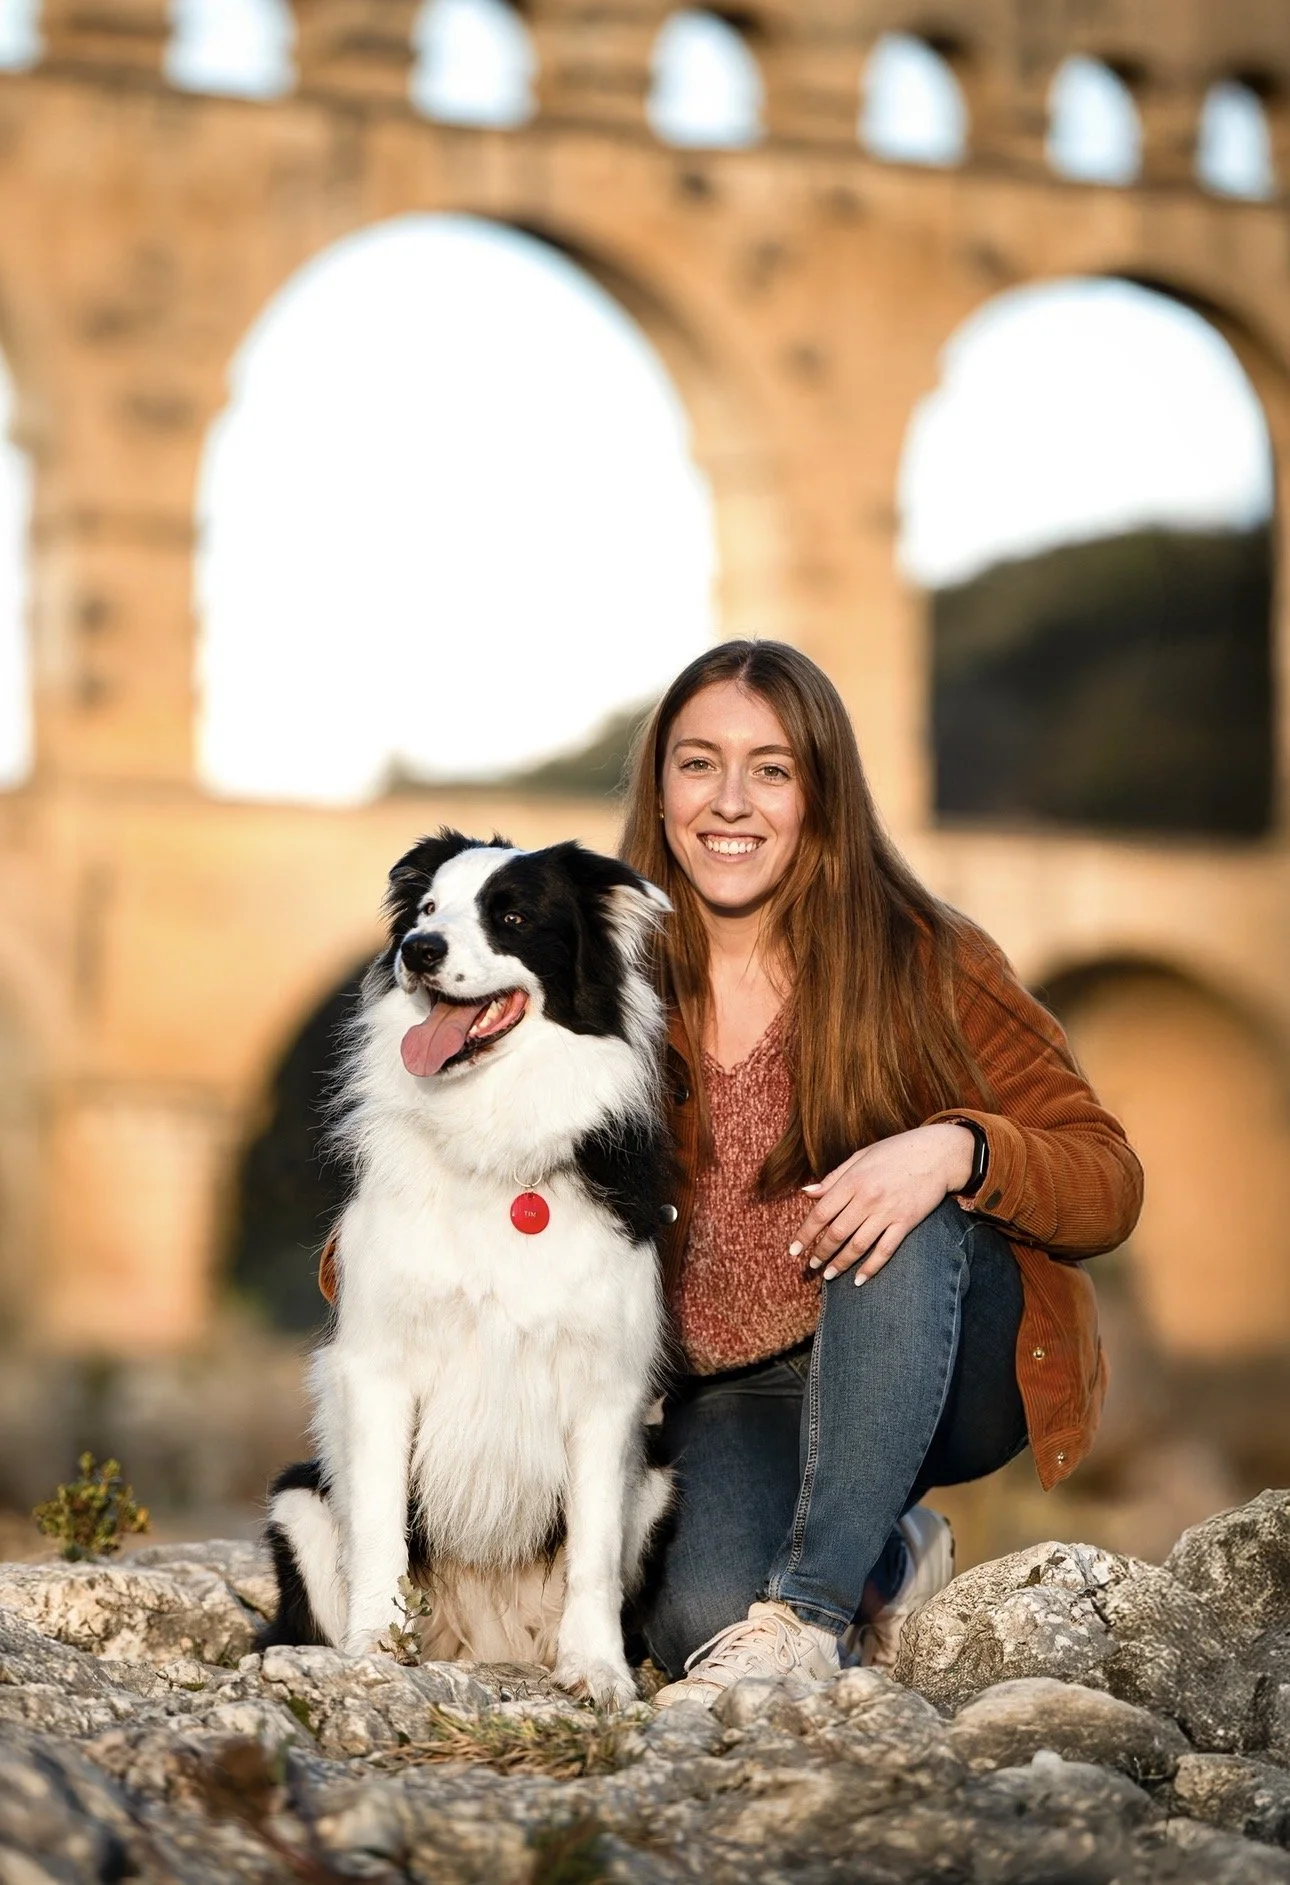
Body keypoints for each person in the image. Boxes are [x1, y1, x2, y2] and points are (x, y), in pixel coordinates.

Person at [619, 640, 1143, 1707]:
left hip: (940, 1357)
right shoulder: (600, 973)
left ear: (821, 793)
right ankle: (887, 1553)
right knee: (696, 1620)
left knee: (899, 1203)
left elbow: (1108, 1177)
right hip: (737, 1396)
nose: (731, 801)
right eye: (697, 763)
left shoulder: (925, 957)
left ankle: (815, 1607)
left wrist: (958, 1148)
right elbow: (439, 1183)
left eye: (772, 768)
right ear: (660, 786)